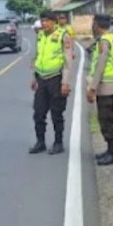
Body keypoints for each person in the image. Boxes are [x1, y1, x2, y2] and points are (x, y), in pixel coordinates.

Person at [29, 11, 73, 155]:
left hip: (56, 78)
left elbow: (68, 61)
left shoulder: (63, 36)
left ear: (54, 21)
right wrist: (34, 77)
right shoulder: (41, 35)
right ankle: (40, 141)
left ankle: (58, 142)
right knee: (38, 112)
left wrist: (65, 83)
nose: (44, 24)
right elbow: (38, 57)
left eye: (47, 21)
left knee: (56, 113)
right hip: (41, 78)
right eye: (42, 21)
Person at [87, 14, 113, 166]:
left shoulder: (104, 41)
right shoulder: (111, 38)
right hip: (109, 84)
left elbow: (100, 65)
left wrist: (92, 87)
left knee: (106, 120)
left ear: (96, 25)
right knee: (106, 119)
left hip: (105, 86)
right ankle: (110, 150)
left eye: (93, 24)